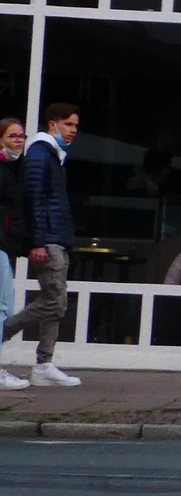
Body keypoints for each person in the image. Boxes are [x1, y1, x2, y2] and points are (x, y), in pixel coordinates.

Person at [8, 104, 78, 387]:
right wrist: (37, 241)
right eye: (68, 124)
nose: (73, 130)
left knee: (56, 303)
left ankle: (44, 363)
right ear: (52, 124)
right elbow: (33, 198)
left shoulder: (52, 156)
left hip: (56, 237)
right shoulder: (40, 154)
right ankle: (3, 331)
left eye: (75, 125)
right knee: (55, 302)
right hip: (48, 240)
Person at [0, 120, 26, 391]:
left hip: (4, 244)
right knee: (2, 307)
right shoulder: (3, 169)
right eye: (12, 136)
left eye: (21, 136)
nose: (18, 141)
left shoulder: (11, 168)